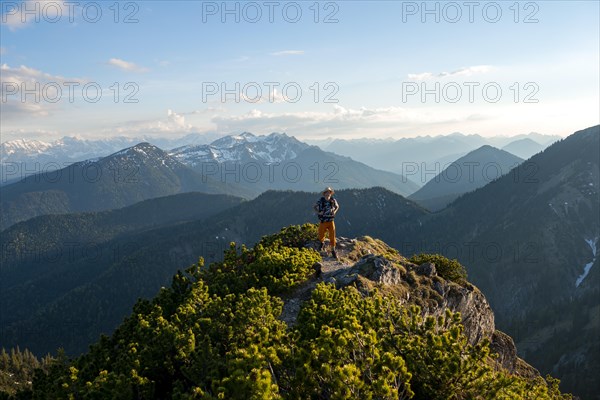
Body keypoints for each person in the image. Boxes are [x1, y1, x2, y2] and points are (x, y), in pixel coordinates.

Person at [313, 187, 340, 259]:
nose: (328, 194)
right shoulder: (321, 200)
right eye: (327, 192)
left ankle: (333, 250)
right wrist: (319, 212)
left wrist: (334, 212)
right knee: (321, 233)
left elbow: (337, 206)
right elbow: (314, 206)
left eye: (329, 192)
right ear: (324, 193)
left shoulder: (333, 200)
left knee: (332, 235)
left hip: (331, 220)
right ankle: (322, 243)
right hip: (323, 220)